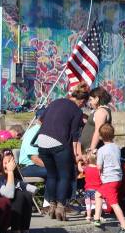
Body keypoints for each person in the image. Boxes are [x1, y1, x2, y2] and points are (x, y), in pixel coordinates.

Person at [37, 83, 88, 221]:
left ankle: (51, 205)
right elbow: (74, 136)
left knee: (52, 175)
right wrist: (76, 155)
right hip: (59, 143)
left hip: (42, 142)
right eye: (84, 104)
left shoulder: (56, 102)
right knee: (64, 176)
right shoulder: (77, 111)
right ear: (82, 101)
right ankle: (60, 207)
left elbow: (40, 119)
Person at [0, 148, 41, 233]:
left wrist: (32, 189)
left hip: (8, 209)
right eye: (6, 162)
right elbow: (9, 194)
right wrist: (11, 172)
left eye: (11, 162)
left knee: (26, 194)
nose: (9, 165)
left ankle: (25, 232)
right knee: (18, 194)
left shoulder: (7, 175)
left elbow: (20, 183)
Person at [95, 124, 125, 233]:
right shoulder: (117, 147)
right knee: (98, 194)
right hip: (117, 178)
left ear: (100, 137)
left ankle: (124, 226)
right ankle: (96, 218)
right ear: (113, 135)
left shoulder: (101, 150)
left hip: (108, 179)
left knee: (114, 203)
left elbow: (99, 167)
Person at [18, 112, 47, 179]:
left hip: (37, 165)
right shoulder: (34, 132)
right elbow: (34, 159)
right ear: (41, 119)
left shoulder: (43, 131)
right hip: (28, 166)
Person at [84, 88, 113, 153]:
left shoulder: (101, 111)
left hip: (92, 149)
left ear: (97, 99)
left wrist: (91, 150)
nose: (90, 102)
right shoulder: (99, 110)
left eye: (91, 99)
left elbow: (98, 131)